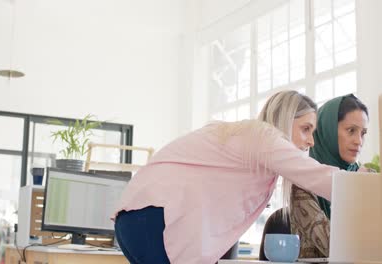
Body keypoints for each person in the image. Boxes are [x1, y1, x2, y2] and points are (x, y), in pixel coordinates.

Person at [113, 90, 340, 264]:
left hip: (136, 217)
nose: (311, 141)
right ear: (285, 118)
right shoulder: (266, 138)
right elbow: (317, 176)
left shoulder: (249, 142)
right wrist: (364, 185)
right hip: (153, 218)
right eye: (305, 128)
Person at [289, 94, 369, 258]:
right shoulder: (302, 183)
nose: (358, 141)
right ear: (328, 130)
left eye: (363, 133)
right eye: (351, 131)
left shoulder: (367, 176)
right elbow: (336, 248)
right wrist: (353, 187)